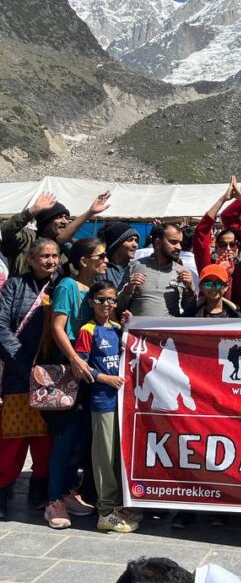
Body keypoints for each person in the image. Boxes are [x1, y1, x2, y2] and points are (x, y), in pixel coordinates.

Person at [45, 238, 108, 529]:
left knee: (82, 438)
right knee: (64, 438)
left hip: (89, 371)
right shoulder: (68, 286)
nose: (106, 261)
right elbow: (58, 327)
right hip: (71, 368)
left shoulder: (94, 291)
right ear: (84, 261)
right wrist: (74, 359)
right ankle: (53, 500)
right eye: (100, 256)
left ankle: (69, 491)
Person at [0, 239, 60, 519]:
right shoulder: (14, 286)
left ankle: (40, 491)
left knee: (45, 438)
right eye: (45, 256)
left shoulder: (63, 285)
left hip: (54, 377)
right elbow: (1, 326)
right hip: (18, 375)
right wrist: (25, 365)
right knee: (12, 437)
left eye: (55, 256)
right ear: (32, 259)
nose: (50, 261)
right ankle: (3, 489)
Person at [75, 281, 139, 533]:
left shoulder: (116, 329)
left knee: (116, 456)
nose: (106, 305)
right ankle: (104, 512)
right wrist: (104, 378)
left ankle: (116, 505)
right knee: (103, 456)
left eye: (111, 300)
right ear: (91, 302)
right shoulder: (88, 330)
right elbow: (79, 367)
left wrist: (130, 327)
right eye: (101, 300)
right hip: (102, 401)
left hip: (123, 403)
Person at [0, 190, 111, 276]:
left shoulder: (69, 246)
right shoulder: (27, 238)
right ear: (46, 221)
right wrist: (31, 211)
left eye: (66, 217)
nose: (64, 221)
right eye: (59, 217)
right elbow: (4, 231)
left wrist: (90, 212)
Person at [119, 224, 196, 317]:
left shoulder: (182, 272)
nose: (179, 247)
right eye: (173, 242)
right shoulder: (134, 267)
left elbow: (189, 310)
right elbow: (117, 307)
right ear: (158, 243)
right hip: (138, 330)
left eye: (180, 243)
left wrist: (190, 288)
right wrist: (128, 290)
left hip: (168, 330)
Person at [192, 177, 241, 277]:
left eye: (232, 245)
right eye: (223, 245)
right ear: (216, 247)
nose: (227, 249)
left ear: (239, 248)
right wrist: (223, 199)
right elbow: (201, 231)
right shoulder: (208, 265)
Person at [98, 222, 140, 288]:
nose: (135, 245)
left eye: (136, 240)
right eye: (130, 240)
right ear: (116, 244)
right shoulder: (101, 270)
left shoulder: (136, 268)